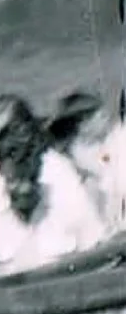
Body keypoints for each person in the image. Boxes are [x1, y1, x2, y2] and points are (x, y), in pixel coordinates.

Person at [0, 105, 107, 314]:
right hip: (7, 313)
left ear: (39, 177)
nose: (17, 191)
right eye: (10, 183)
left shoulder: (64, 186)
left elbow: (99, 264)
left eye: (24, 182)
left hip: (64, 310)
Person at [48, 90, 126, 231]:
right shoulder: (80, 153)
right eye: (101, 117)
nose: (108, 119)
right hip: (99, 207)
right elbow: (106, 173)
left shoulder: (96, 145)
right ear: (83, 125)